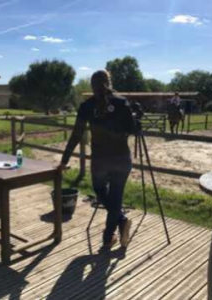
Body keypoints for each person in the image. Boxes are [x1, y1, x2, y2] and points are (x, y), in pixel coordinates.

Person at [59, 70, 136, 249]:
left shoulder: (87, 106)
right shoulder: (122, 102)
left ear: (92, 86)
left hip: (100, 160)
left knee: (100, 189)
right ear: (109, 82)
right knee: (116, 198)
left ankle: (117, 228)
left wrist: (65, 159)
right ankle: (112, 233)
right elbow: (131, 129)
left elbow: (76, 136)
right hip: (122, 158)